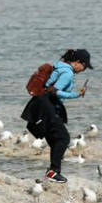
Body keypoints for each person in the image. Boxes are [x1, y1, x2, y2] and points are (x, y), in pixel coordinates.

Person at [25, 49, 92, 184]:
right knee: (63, 138)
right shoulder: (67, 72)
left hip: (41, 103)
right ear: (78, 62)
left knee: (56, 139)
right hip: (46, 105)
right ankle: (53, 172)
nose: (84, 69)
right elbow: (54, 92)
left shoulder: (59, 66)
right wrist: (76, 95)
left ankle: (53, 171)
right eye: (84, 66)